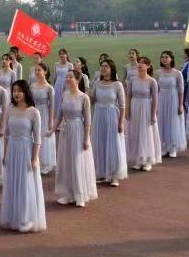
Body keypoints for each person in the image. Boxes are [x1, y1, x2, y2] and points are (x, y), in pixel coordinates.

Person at [1, 80, 47, 233]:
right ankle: (13, 216)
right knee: (13, 182)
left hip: (26, 150)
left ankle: (26, 219)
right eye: (14, 90)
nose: (16, 93)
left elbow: (37, 138)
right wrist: (5, 154)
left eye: (19, 91)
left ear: (26, 92)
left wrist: (34, 158)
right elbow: (7, 134)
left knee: (25, 183)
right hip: (12, 149)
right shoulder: (10, 110)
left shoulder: (34, 112)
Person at [50, 70, 97, 207]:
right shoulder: (64, 94)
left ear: (77, 80)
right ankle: (68, 194)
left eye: (71, 77)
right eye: (67, 77)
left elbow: (87, 120)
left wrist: (86, 138)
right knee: (66, 161)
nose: (68, 79)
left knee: (77, 161)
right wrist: (52, 129)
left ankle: (79, 194)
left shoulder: (84, 97)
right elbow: (59, 115)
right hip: (66, 131)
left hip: (78, 130)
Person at [90, 60, 128, 187]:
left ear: (112, 69)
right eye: (101, 66)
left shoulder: (117, 85)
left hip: (112, 115)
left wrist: (121, 122)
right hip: (99, 115)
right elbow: (92, 100)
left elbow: (122, 105)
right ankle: (102, 173)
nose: (103, 68)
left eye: (106, 66)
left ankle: (114, 175)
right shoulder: (97, 83)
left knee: (113, 144)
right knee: (100, 143)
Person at [126, 57, 161, 171]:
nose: (140, 65)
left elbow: (155, 99)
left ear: (148, 66)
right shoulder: (132, 80)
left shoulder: (152, 81)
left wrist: (153, 115)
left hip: (146, 108)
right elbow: (129, 95)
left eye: (143, 63)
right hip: (134, 107)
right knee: (136, 132)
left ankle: (147, 160)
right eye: (139, 63)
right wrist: (127, 110)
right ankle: (139, 160)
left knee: (146, 133)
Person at [155, 51, 186, 158]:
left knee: (173, 122)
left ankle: (173, 147)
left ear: (171, 59)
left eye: (166, 57)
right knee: (162, 122)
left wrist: (180, 105)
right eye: (162, 57)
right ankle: (164, 147)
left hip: (173, 100)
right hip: (161, 99)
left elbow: (181, 90)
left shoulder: (177, 73)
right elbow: (155, 89)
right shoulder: (158, 73)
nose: (164, 59)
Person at [30, 63, 56, 175]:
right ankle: (34, 160)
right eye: (35, 70)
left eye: (39, 70)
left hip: (44, 114)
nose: (37, 72)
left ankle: (44, 163)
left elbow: (52, 105)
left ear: (45, 72)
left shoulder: (49, 88)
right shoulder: (32, 86)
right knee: (33, 136)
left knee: (43, 137)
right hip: (34, 113)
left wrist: (51, 121)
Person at [53, 49, 71, 115]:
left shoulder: (70, 65)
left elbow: (71, 77)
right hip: (57, 85)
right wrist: (54, 86)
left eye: (63, 54)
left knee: (64, 101)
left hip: (66, 85)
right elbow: (55, 76)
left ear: (66, 55)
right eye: (60, 54)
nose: (61, 55)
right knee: (56, 101)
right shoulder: (56, 64)